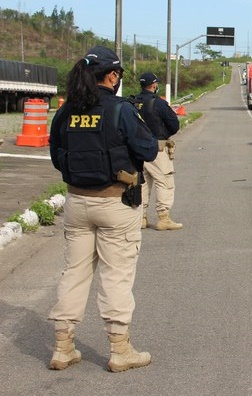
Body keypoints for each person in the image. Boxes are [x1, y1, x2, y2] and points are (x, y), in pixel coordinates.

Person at [47, 46, 157, 372]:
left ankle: (62, 347)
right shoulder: (120, 110)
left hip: (76, 202)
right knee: (116, 276)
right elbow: (148, 149)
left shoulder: (66, 112)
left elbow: (56, 154)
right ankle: (120, 350)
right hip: (116, 203)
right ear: (112, 75)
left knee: (74, 273)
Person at [135, 72, 182, 231]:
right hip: (157, 149)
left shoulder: (132, 102)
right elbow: (174, 125)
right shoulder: (159, 103)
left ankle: (141, 218)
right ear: (154, 85)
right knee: (164, 182)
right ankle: (163, 218)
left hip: (136, 150)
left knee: (142, 183)